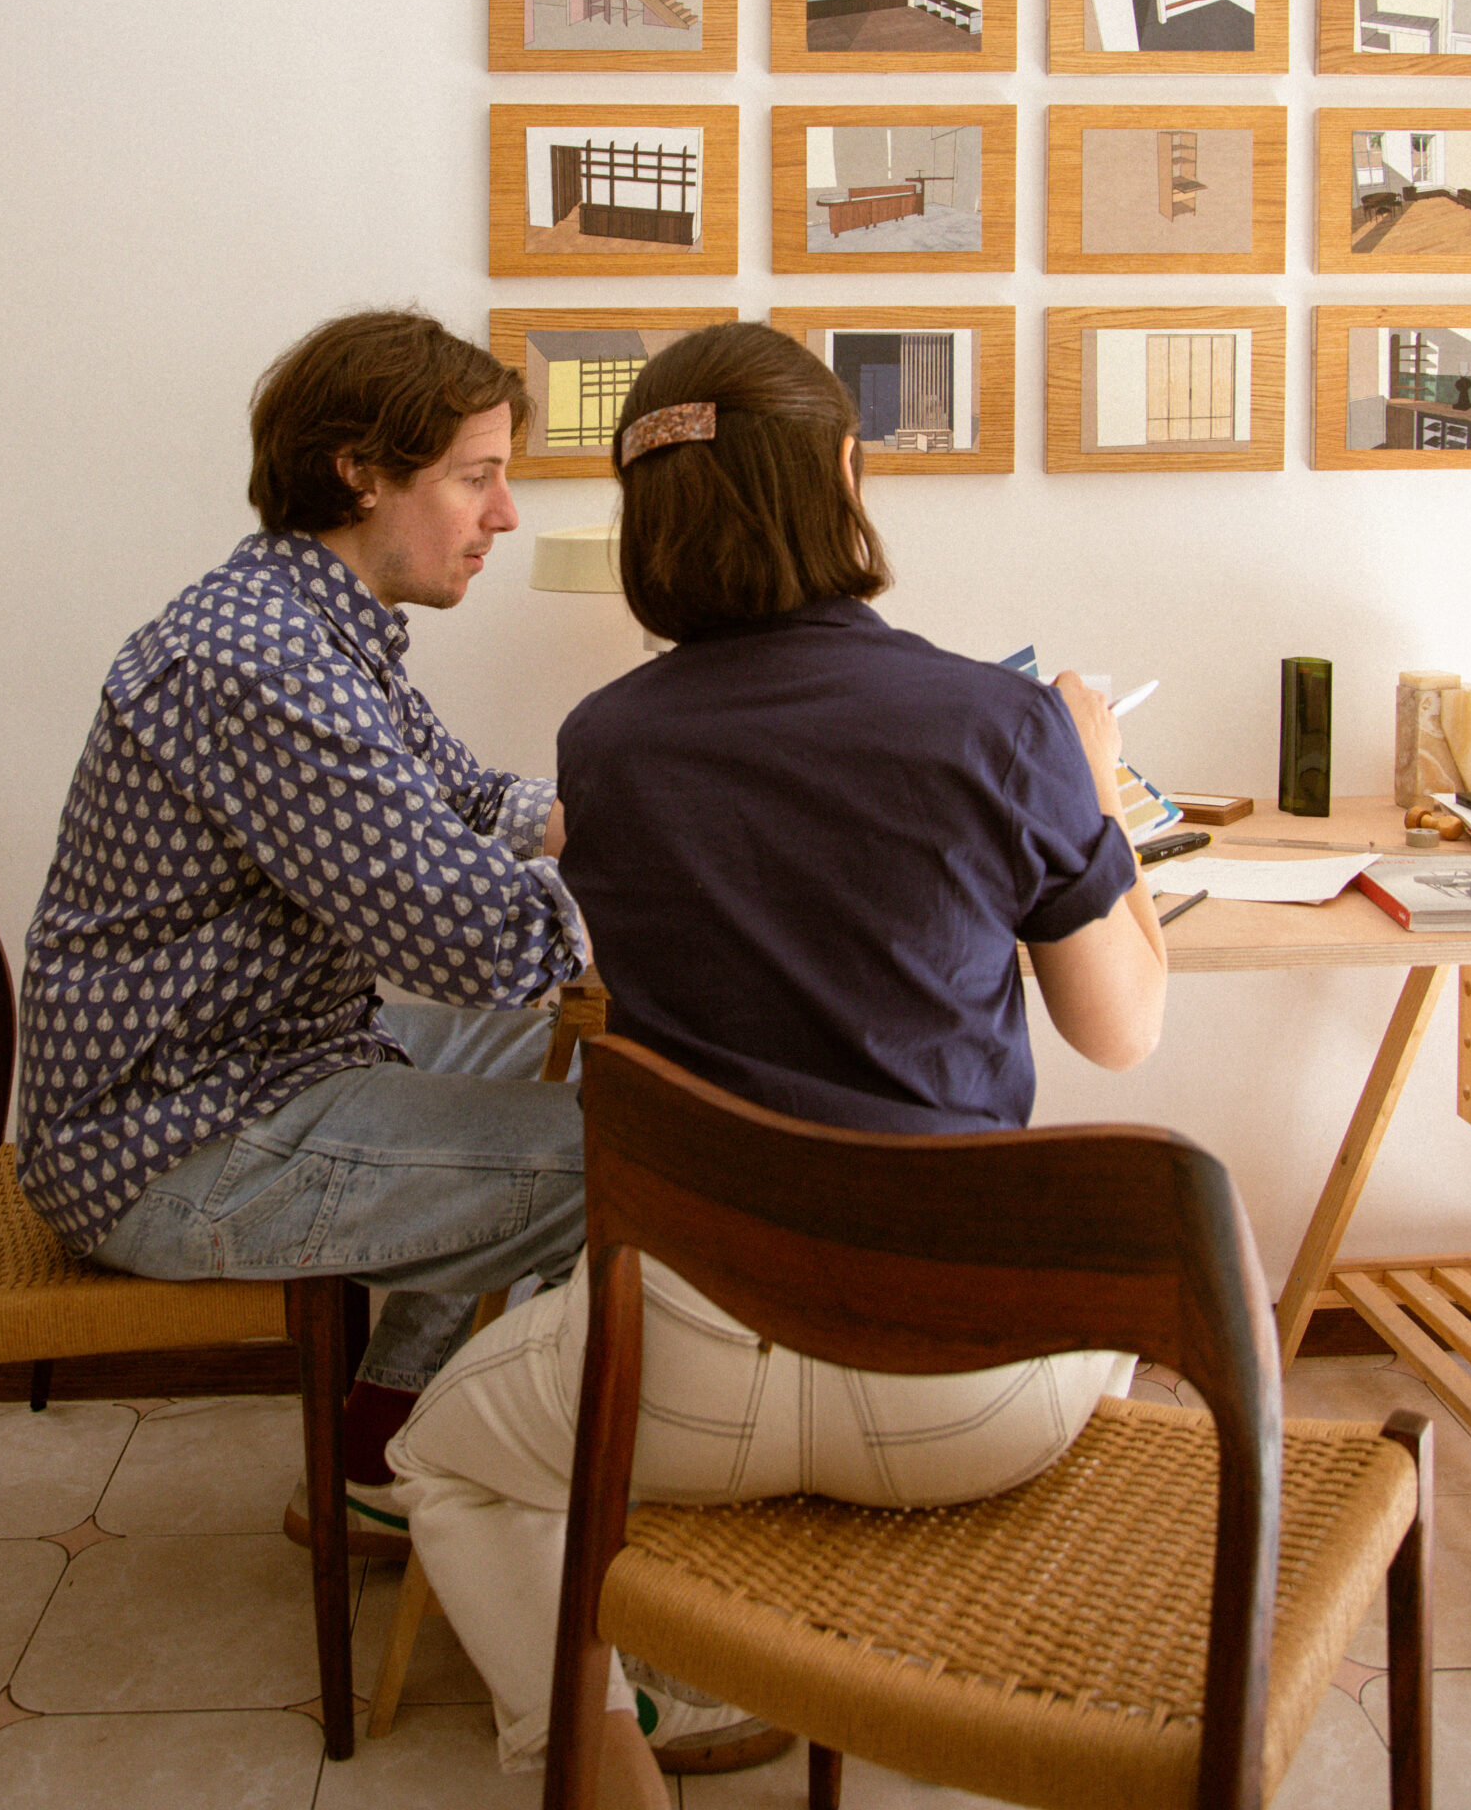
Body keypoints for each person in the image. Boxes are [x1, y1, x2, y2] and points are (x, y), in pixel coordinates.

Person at [386, 322, 1168, 1799]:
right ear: (844, 479)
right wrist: (1096, 792)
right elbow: (1118, 1032)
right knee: (1112, 1317)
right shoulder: (998, 726)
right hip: (973, 1394)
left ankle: (602, 1762)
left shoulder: (603, 744)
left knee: (445, 1459)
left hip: (683, 1378)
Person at [16, 309, 589, 1554]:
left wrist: (626, 813)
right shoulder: (265, 660)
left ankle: (381, 1440)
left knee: (601, 1071)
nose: (502, 517)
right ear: (363, 473)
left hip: (264, 1065)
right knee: (640, 1159)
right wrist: (717, 886)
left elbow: (471, 803)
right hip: (175, 1142)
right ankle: (532, 1513)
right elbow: (468, 936)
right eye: (477, 479)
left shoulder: (318, 624)